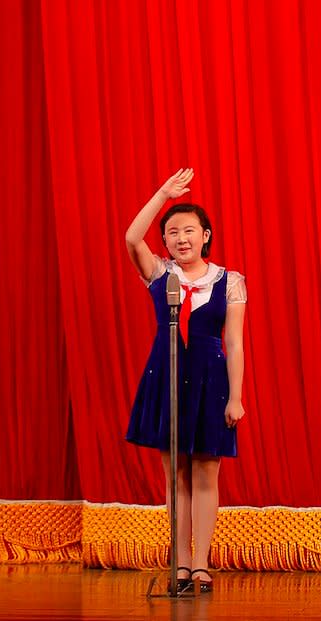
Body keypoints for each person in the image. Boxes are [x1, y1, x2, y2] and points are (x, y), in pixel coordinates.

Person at [124, 168, 247, 594]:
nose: (181, 238)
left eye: (189, 230)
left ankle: (201, 564)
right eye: (173, 232)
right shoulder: (160, 274)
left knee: (206, 473)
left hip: (211, 380)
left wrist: (236, 397)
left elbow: (234, 340)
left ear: (206, 235)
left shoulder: (230, 282)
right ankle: (178, 563)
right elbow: (130, 238)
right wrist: (161, 194)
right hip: (168, 376)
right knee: (175, 475)